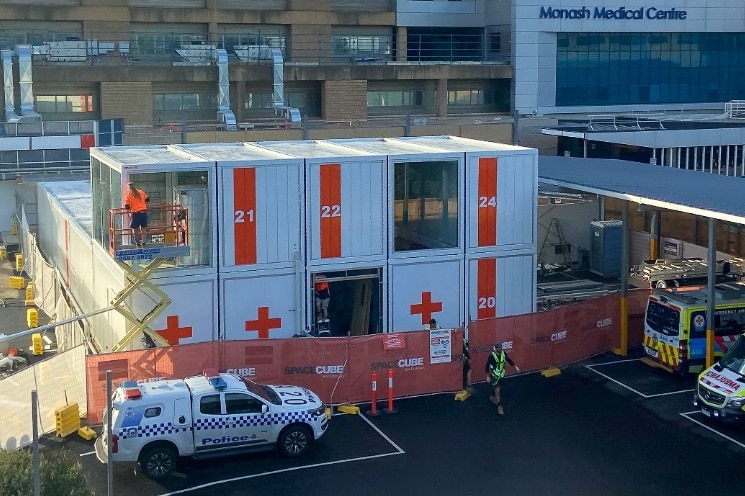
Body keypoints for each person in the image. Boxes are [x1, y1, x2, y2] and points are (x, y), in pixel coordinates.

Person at [485, 342, 520, 415]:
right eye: (499, 348)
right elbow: (487, 366)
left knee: (499, 388)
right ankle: (499, 405)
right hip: (494, 375)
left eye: (501, 347)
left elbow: (509, 360)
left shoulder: (504, 354)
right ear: (495, 349)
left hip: (501, 374)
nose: (500, 349)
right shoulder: (492, 356)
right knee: (498, 390)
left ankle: (492, 397)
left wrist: (515, 367)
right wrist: (487, 376)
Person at [124, 182, 149, 247]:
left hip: (136, 214)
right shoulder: (141, 192)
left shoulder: (128, 196)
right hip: (144, 213)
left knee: (135, 229)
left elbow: (127, 207)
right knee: (143, 228)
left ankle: (137, 243)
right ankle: (144, 242)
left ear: (128, 188)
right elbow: (147, 199)